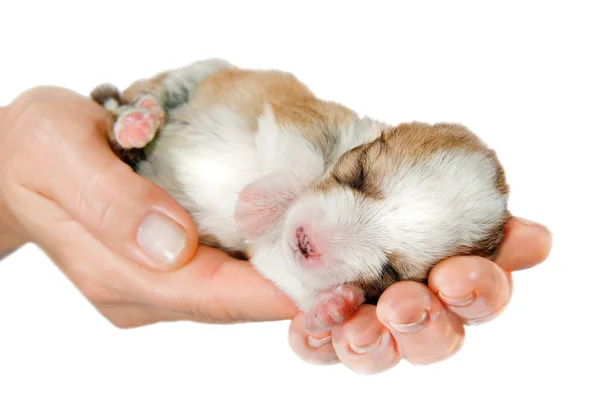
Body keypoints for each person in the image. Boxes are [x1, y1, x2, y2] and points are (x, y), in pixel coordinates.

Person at [0, 85, 552, 374]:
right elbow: (289, 114)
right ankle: (129, 109)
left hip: (154, 176)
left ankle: (126, 139)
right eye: (357, 179)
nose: (328, 237)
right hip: (187, 106)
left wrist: (316, 304)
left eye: (388, 267)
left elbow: (271, 267)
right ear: (384, 133)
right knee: (172, 90)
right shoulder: (335, 131)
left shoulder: (336, 277)